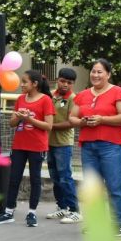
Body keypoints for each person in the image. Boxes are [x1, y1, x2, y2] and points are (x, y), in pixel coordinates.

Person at [69, 58, 121, 236]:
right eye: (93, 71)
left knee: (114, 186)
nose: (95, 75)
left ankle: (117, 223)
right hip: (88, 146)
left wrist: (102, 119)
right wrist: (82, 121)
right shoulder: (82, 95)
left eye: (99, 72)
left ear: (108, 74)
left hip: (111, 146)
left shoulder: (118, 92)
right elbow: (72, 118)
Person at [0, 70, 54, 227]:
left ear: (35, 84)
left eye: (25, 82)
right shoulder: (20, 99)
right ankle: (8, 211)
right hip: (19, 145)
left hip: (37, 146)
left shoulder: (45, 100)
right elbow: (12, 123)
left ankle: (32, 213)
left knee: (35, 179)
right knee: (14, 179)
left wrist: (30, 119)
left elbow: (48, 126)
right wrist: (19, 116)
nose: (22, 84)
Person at [46, 68, 82, 224]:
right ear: (57, 79)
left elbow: (70, 122)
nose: (65, 85)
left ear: (73, 84)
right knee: (54, 177)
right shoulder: (50, 95)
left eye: (69, 82)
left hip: (63, 144)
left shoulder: (73, 98)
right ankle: (62, 207)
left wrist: (49, 126)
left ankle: (75, 210)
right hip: (49, 142)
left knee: (65, 177)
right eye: (63, 81)